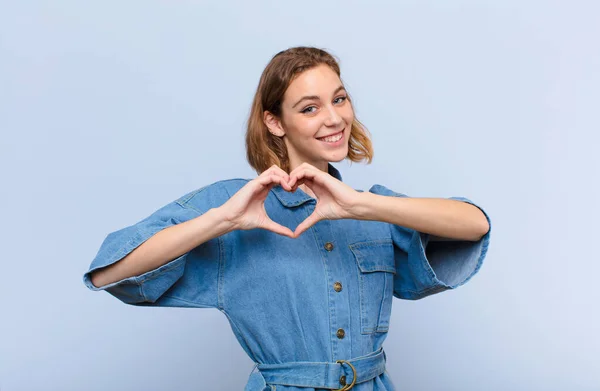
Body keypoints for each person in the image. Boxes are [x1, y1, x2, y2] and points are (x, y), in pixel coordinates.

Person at [83, 46, 492, 391]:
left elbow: (475, 224)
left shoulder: (371, 207)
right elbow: (109, 273)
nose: (333, 119)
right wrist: (221, 221)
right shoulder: (231, 206)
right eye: (309, 108)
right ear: (275, 122)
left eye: (340, 98)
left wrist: (361, 206)